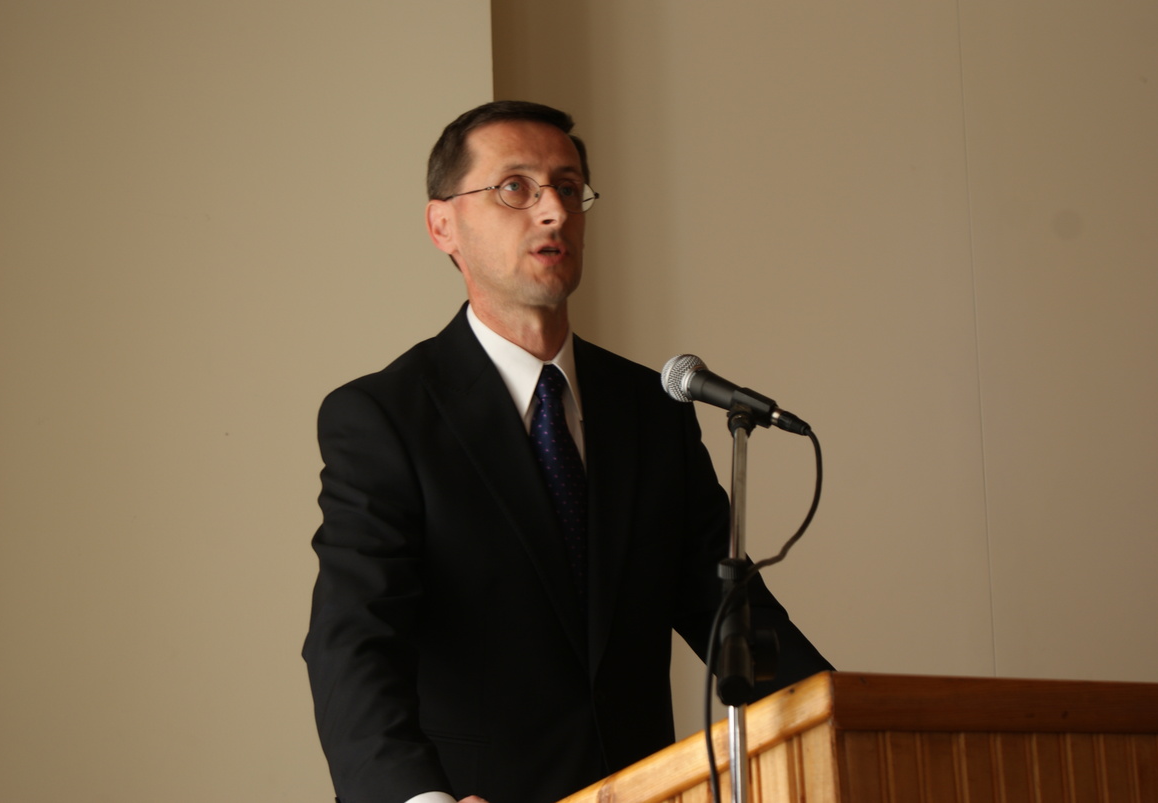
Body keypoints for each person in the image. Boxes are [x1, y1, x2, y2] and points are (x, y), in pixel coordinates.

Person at [303, 100, 832, 803]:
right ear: (442, 225)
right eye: (515, 188)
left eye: (568, 187)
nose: (553, 211)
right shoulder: (385, 419)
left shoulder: (653, 410)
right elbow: (353, 643)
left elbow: (736, 622)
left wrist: (849, 720)